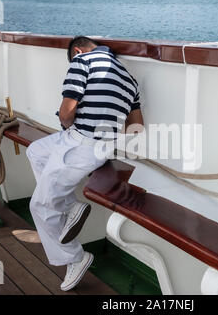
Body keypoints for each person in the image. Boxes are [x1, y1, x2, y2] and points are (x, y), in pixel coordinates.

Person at [26, 36, 144, 291]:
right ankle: (70, 206)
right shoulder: (130, 79)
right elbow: (136, 127)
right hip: (98, 147)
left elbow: (67, 112)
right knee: (36, 151)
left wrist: (70, 124)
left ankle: (75, 258)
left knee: (39, 206)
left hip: (79, 145)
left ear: (77, 51)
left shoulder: (82, 61)